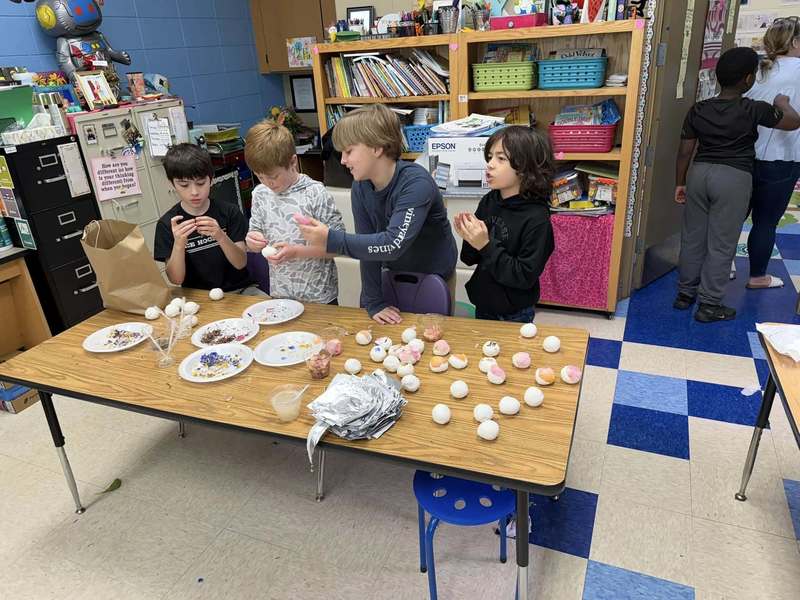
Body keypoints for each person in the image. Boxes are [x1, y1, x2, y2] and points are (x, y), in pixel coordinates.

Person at [295, 104, 458, 324]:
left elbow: (392, 244)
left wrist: (330, 239)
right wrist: (373, 302)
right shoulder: (361, 187)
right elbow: (367, 246)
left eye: (349, 151)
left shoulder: (416, 184)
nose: (342, 160)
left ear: (377, 148)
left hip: (435, 277)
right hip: (394, 273)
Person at [673, 46, 800, 322]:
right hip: (734, 177)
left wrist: (680, 183)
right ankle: (709, 304)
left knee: (693, 237)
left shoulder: (699, 109)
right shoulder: (753, 109)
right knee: (722, 243)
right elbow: (793, 122)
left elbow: (685, 151)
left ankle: (685, 294)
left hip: (699, 173)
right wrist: (782, 103)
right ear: (747, 79)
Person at [454, 126, 555, 323]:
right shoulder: (489, 201)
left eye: (501, 159)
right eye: (490, 157)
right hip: (483, 303)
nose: (490, 165)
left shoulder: (537, 218)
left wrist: (485, 244)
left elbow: (524, 276)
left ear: (526, 168)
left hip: (514, 311)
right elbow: (470, 258)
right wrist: (469, 236)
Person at [243, 120, 344, 305]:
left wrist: (297, 252)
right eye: (259, 176)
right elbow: (254, 235)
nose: (267, 183)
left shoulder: (315, 193)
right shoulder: (260, 194)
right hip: (281, 295)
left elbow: (338, 247)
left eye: (273, 176)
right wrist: (252, 241)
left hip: (319, 296)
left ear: (293, 162)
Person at [745, 16, 800, 289]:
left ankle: (722, 267)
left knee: (732, 217)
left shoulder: (758, 69)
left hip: (744, 155)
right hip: (783, 159)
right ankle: (757, 276)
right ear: (794, 42)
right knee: (765, 222)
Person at [154, 143, 253, 292]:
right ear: (172, 184)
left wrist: (220, 236)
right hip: (198, 297)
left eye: (200, 183)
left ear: (211, 179)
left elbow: (241, 263)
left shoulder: (229, 212)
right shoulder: (167, 224)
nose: (194, 192)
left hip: (240, 290)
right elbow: (176, 280)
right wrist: (179, 244)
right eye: (184, 185)